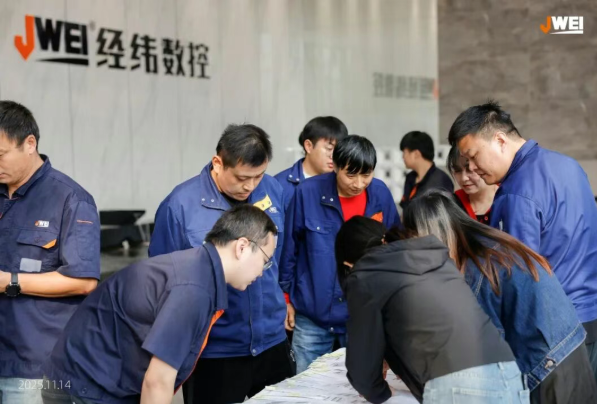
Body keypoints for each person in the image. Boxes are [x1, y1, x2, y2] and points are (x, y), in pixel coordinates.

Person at [41, 205, 278, 404]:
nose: (262, 272)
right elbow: (157, 382)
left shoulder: (197, 268)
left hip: (93, 380)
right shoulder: (193, 288)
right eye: (265, 261)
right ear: (242, 247)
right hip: (84, 388)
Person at [448, 100, 597, 379]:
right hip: (591, 314)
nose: (473, 168)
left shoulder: (516, 193)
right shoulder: (569, 165)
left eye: (474, 156)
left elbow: (516, 279)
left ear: (500, 140)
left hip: (555, 333)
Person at [403, 190, 597, 403]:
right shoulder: (488, 245)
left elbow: (485, 356)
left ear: (433, 233)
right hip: (568, 354)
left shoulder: (478, 270)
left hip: (549, 370)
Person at [149, 125, 293, 403]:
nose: (250, 186)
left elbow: (279, 256)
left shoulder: (272, 190)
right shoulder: (180, 206)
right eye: (242, 178)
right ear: (218, 162)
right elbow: (163, 282)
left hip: (272, 341)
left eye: (259, 176)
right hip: (214, 351)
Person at [335, 216, 524, 404]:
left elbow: (362, 364)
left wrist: (380, 393)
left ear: (348, 264)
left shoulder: (365, 276)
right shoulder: (432, 257)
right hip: (506, 371)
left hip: (455, 380)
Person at [0, 101, 100, 404]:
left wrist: (9, 281)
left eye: (0, 154)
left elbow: (83, 281)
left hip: (34, 367)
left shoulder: (70, 199)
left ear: (29, 144)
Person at [280, 135, 400, 373]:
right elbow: (289, 249)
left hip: (363, 314)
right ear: (334, 166)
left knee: (360, 382)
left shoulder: (380, 194)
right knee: (306, 385)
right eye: (351, 175)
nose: (359, 183)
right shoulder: (307, 193)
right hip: (312, 313)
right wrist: (285, 298)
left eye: (366, 175)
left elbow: (396, 247)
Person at [275, 116, 348, 210]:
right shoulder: (279, 185)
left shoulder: (345, 182)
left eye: (338, 150)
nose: (334, 156)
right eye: (329, 149)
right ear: (308, 146)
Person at [399, 131, 453, 211]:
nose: (403, 157)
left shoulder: (441, 180)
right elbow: (405, 208)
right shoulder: (410, 178)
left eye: (404, 152)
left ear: (416, 154)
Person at [446, 145, 498, 224]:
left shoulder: (508, 199)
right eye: (457, 170)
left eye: (469, 169)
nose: (464, 178)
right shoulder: (453, 204)